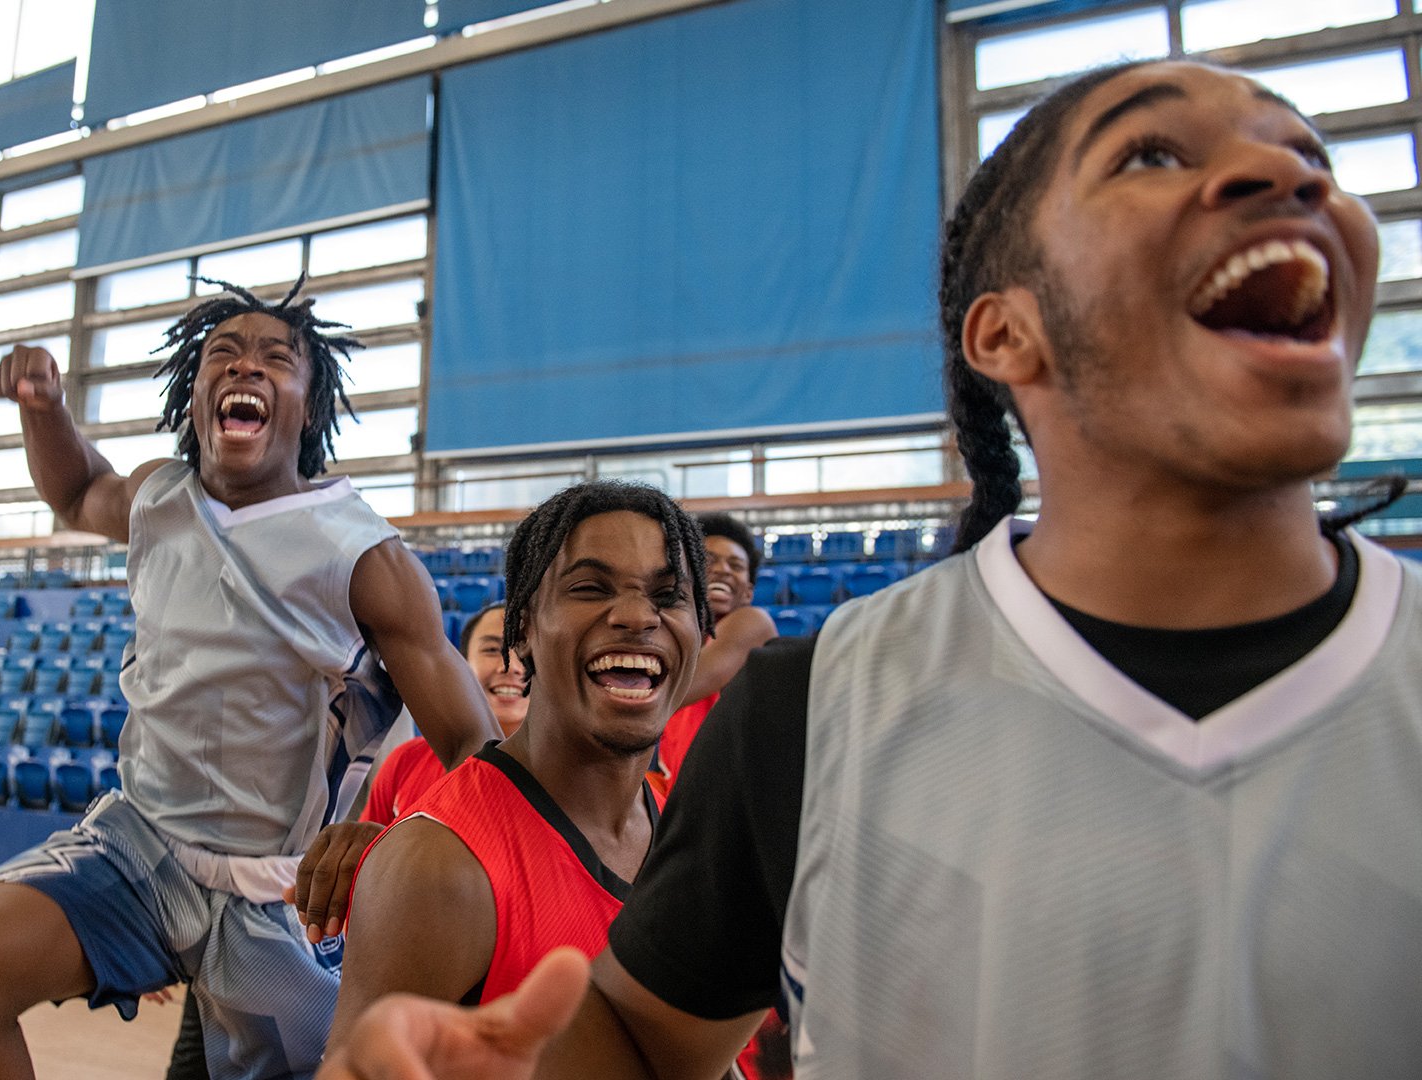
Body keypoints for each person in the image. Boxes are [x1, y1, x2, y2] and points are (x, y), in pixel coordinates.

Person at [319, 59, 1421, 1079]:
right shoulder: (814, 715)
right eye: (1152, 154)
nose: (1285, 173)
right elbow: (642, 1044)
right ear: (1004, 335)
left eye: (1315, 159)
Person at [0, 277, 498, 1080]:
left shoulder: (364, 556)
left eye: (273, 359)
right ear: (195, 395)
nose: (244, 367)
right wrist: (43, 407)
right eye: (223, 354)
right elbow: (78, 490)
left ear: (310, 405)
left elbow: (472, 744)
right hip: (139, 850)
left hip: (278, 894)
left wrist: (402, 848)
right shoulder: (161, 497)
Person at [327, 481, 706, 1048]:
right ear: (523, 628)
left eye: (669, 595)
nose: (635, 615)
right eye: (589, 588)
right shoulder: (439, 867)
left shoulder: (688, 840)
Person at [362, 603, 530, 828]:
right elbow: (366, 855)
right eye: (492, 650)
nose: (510, 667)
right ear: (462, 664)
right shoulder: (406, 761)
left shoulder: (569, 774)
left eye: (525, 651)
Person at [651, 512, 776, 792]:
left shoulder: (753, 623)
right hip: (677, 796)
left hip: (728, 798)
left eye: (736, 565)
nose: (724, 569)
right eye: (709, 560)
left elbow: (677, 689)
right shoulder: (678, 635)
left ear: (748, 592)